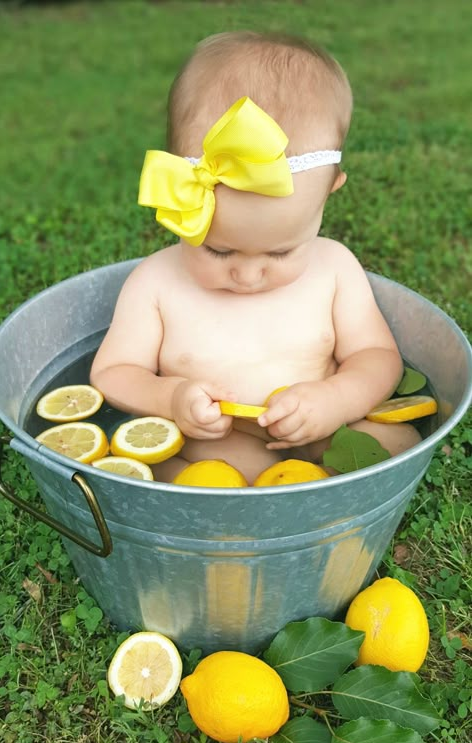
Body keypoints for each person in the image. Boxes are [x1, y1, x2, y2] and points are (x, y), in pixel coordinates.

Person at [90, 31, 420, 484]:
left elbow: (377, 355)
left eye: (281, 250)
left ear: (329, 195)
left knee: (398, 443)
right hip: (216, 446)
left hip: (326, 429)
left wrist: (335, 400)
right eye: (218, 249)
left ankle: (323, 487)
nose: (247, 275)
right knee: (165, 473)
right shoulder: (156, 283)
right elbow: (113, 372)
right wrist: (170, 399)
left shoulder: (335, 268)